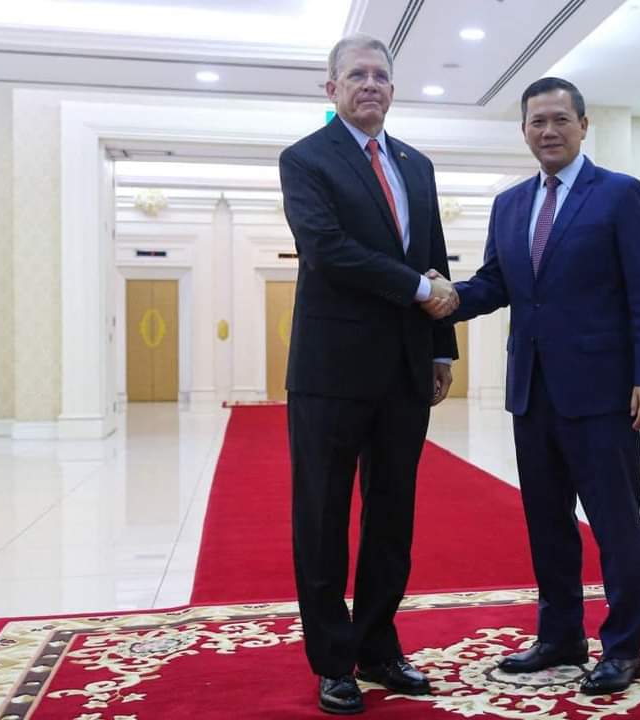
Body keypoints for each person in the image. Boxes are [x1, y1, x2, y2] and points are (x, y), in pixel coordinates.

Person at [423, 77, 640, 696]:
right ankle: (560, 635)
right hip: (532, 392)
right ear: (524, 132)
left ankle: (623, 649)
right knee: (547, 522)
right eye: (537, 122)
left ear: (584, 126)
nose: (549, 130)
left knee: (615, 524)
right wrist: (446, 296)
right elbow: (496, 283)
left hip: (603, 393)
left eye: (561, 119)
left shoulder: (619, 194)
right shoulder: (510, 204)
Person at [279, 33, 459, 715]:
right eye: (356, 75)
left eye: (381, 75)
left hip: (405, 370)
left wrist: (441, 349)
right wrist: (417, 289)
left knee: (392, 517)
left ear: (392, 87)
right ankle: (333, 661)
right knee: (322, 517)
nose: (370, 85)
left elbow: (434, 255)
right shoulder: (305, 159)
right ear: (332, 89)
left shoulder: (416, 164)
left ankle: (379, 647)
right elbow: (326, 249)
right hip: (330, 371)